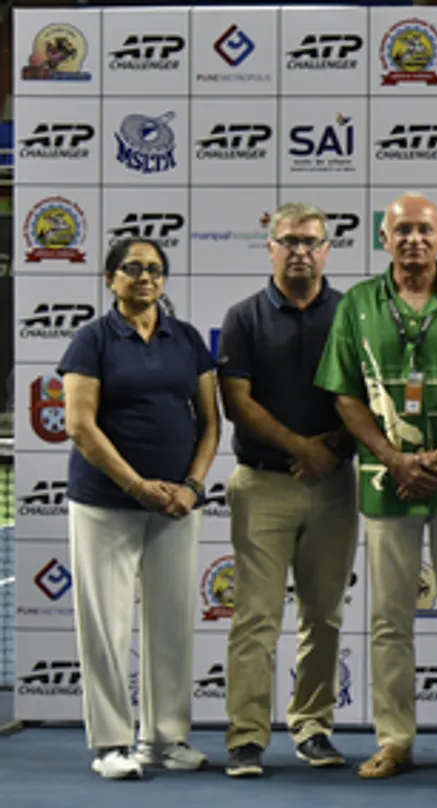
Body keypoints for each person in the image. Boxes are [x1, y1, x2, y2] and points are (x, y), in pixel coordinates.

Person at [314, 192, 437, 780]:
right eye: (402, 230)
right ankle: (394, 739)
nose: (413, 240)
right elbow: (343, 393)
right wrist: (392, 458)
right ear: (384, 237)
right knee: (388, 619)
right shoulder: (357, 305)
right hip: (386, 483)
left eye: (424, 229)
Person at [58, 237, 220, 779]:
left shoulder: (187, 339)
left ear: (164, 280)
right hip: (106, 503)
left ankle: (164, 740)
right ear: (111, 278)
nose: (144, 277)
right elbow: (80, 426)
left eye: (154, 269)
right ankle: (110, 744)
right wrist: (136, 486)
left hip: (176, 506)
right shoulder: (92, 340)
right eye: (132, 268)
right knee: (106, 624)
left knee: (171, 623)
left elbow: (210, 421)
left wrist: (192, 487)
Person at [217, 202, 359, 777]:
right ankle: (246, 738)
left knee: (323, 616)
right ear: (270, 247)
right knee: (255, 617)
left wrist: (331, 451)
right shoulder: (244, 316)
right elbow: (237, 404)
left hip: (334, 486)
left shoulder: (353, 313)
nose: (300, 251)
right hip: (262, 485)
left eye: (311, 241)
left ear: (326, 249)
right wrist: (306, 450)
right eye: (289, 241)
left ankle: (313, 728)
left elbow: (369, 396)